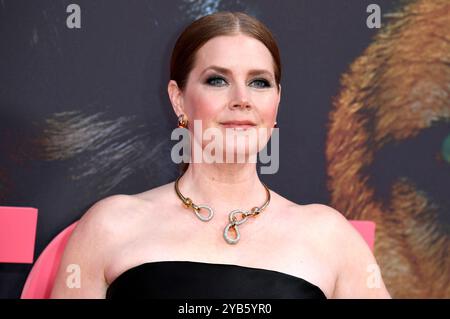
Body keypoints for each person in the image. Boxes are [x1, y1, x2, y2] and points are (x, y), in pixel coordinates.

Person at [50, 11, 391, 299]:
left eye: (259, 82)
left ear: (276, 102)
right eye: (217, 80)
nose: (242, 98)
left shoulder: (329, 236)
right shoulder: (110, 226)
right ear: (178, 99)